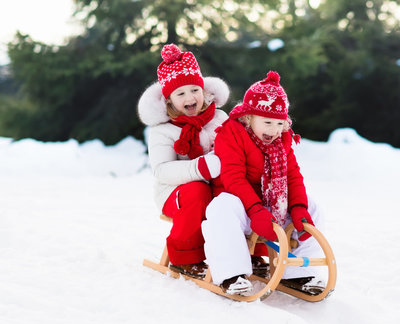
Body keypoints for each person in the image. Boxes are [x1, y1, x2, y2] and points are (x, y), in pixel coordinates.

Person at [202, 71, 325, 295]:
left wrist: (299, 208)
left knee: (313, 207)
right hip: (243, 205)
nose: (274, 130)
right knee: (221, 207)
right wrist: (254, 209)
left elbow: (293, 176)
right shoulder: (232, 133)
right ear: (249, 117)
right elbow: (233, 177)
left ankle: (297, 273)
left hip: (271, 207)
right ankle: (232, 274)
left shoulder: (283, 141)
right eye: (267, 122)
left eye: (279, 123)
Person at [138, 44, 229, 279]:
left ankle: (247, 251)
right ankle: (186, 258)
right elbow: (162, 171)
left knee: (240, 192)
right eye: (180, 94)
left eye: (194, 90)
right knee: (197, 191)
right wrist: (200, 167)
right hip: (175, 194)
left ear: (204, 90)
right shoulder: (163, 131)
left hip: (216, 187)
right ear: (168, 100)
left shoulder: (219, 118)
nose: (190, 98)